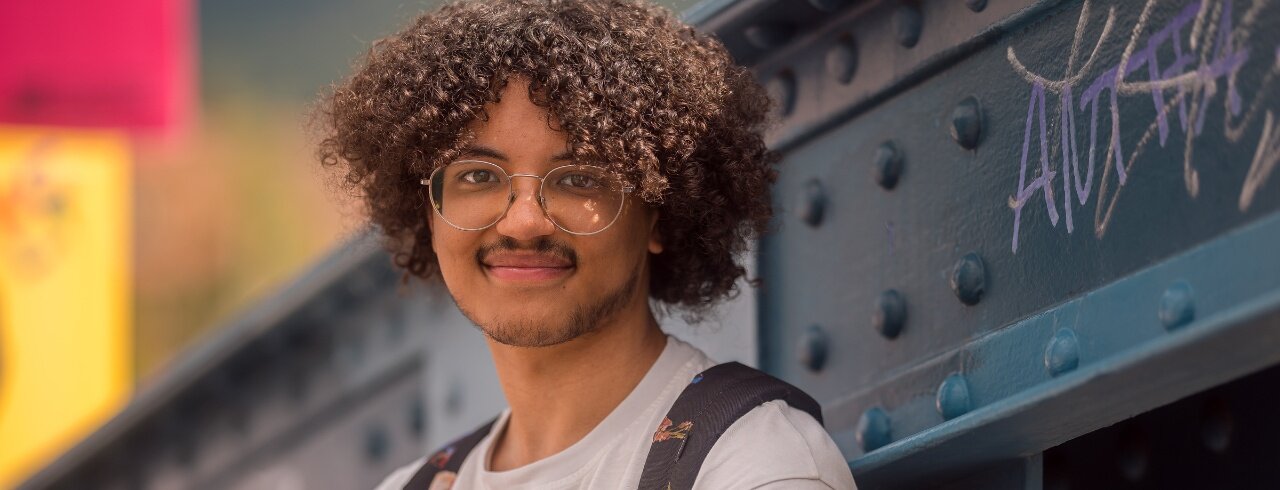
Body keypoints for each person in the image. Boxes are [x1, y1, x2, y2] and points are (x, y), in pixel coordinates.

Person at [314, 0, 857, 488]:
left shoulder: (756, 464)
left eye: (580, 178)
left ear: (660, 218)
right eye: (477, 177)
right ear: (428, 215)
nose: (523, 223)